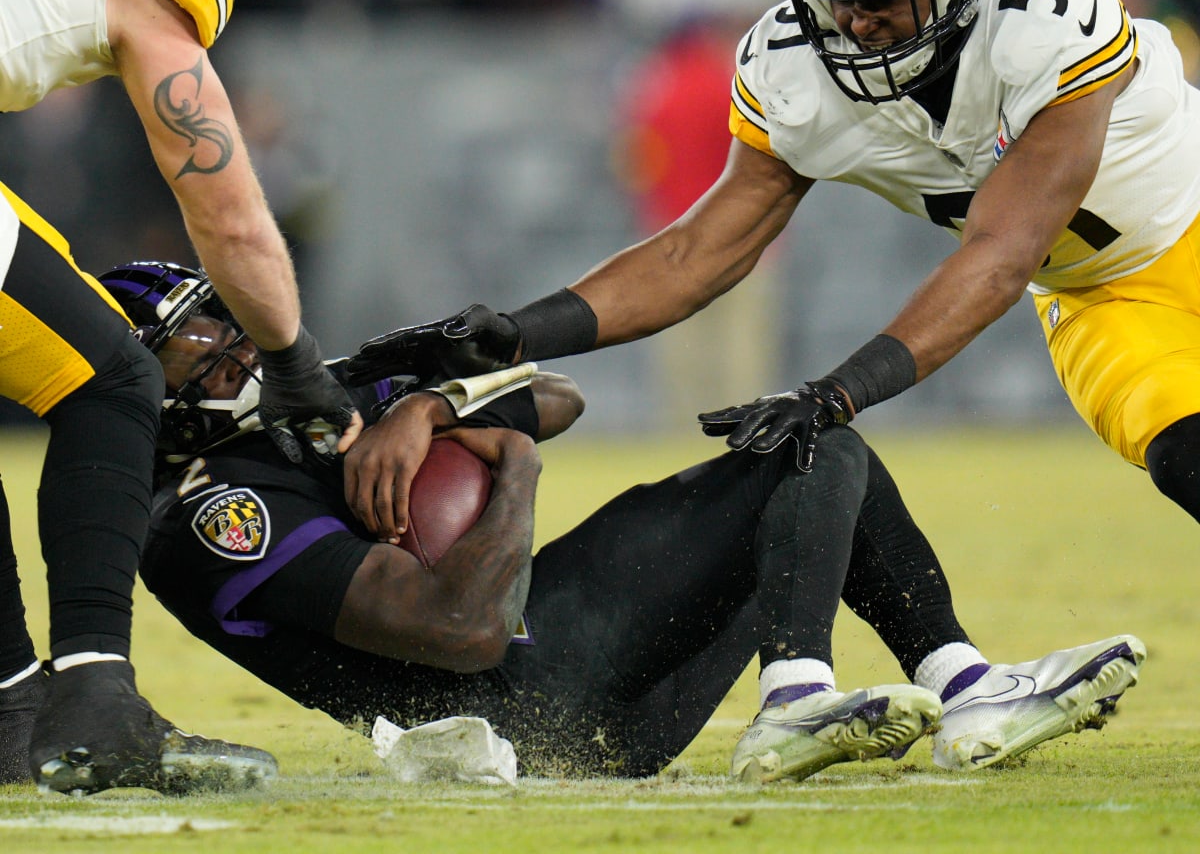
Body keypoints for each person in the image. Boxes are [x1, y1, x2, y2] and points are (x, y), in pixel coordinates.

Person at [344, 0, 1200, 545]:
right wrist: (513, 335)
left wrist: (838, 394)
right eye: (835, 1)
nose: (856, 25)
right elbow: (695, 252)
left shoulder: (1048, 14)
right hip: (1101, 298)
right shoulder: (794, 66)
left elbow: (1002, 253)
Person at [98, 260, 1143, 784]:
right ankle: (801, 698)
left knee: (818, 453)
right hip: (518, 699)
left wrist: (428, 407)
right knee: (812, 447)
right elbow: (461, 633)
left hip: (591, 716)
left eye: (226, 320)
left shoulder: (305, 410)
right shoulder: (204, 517)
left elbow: (555, 392)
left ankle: (965, 684)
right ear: (147, 382)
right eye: (201, 342)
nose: (234, 344)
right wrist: (504, 463)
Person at [0, 0, 360, 793]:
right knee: (112, 376)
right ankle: (96, 698)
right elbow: (219, 191)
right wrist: (288, 352)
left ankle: (18, 712)